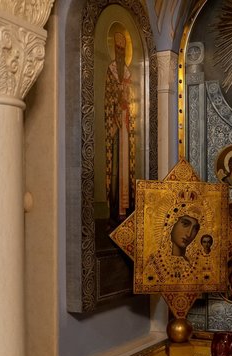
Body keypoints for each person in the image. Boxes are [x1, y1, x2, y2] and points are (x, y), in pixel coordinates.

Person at [104, 31, 135, 224]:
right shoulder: (111, 69)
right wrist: (116, 106)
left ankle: (127, 209)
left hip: (126, 123)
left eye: (123, 49)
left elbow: (132, 98)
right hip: (115, 123)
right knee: (116, 163)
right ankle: (115, 210)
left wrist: (127, 103)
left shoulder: (129, 72)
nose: (121, 52)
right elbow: (108, 96)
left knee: (126, 164)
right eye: (118, 48)